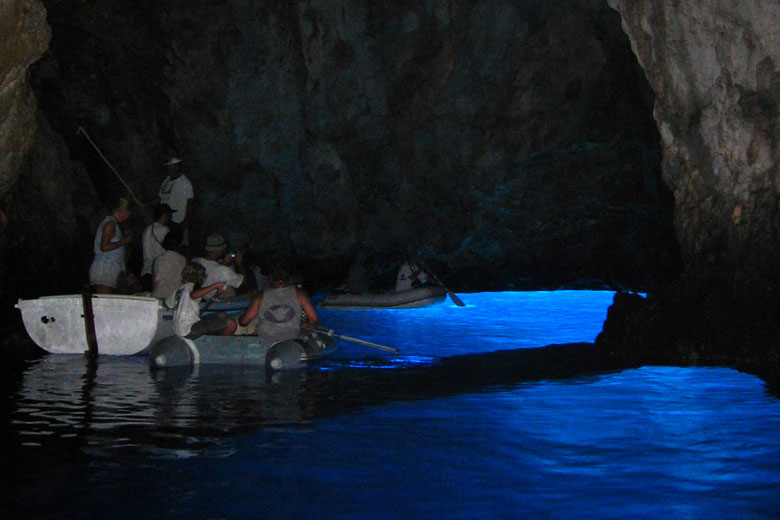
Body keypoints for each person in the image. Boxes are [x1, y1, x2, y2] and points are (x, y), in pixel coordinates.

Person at [238, 264, 319, 342]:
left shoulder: (260, 296)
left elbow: (244, 322)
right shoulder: (300, 294)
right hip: (290, 339)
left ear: (270, 277)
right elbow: (313, 319)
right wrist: (303, 326)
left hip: (263, 339)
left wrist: (241, 317)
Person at [165, 263, 237, 339]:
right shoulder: (191, 287)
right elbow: (194, 295)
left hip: (179, 329)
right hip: (189, 329)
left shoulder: (179, 289)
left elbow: (168, 304)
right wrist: (215, 286)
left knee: (221, 315)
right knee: (232, 324)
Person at [142, 157, 194, 246]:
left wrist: (186, 222)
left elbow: (190, 203)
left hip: (178, 221)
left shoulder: (185, 183)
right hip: (165, 220)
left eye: (171, 167)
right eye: (168, 167)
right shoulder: (166, 180)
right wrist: (146, 204)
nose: (169, 170)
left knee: (179, 246)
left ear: (177, 167)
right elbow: (160, 198)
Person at [89, 197, 133, 294]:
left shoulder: (115, 224)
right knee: (103, 304)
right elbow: (104, 247)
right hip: (104, 269)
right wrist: (124, 242)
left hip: (111, 269)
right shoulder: (110, 223)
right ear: (123, 211)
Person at [192, 233, 246, 298]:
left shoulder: (195, 261)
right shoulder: (223, 270)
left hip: (202, 301)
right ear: (219, 250)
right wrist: (240, 264)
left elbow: (211, 271)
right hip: (219, 304)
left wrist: (224, 263)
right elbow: (244, 283)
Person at [141, 204, 172, 291]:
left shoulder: (147, 230)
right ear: (165, 215)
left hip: (146, 270)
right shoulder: (165, 230)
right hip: (158, 272)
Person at [151, 227, 187, 300]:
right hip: (174, 296)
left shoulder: (158, 260)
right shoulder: (183, 260)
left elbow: (154, 281)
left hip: (159, 294)